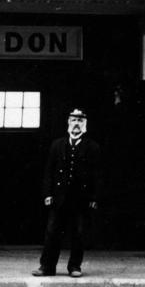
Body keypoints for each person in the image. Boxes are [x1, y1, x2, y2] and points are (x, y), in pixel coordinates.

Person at [33, 107, 102, 278]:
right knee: (52, 232)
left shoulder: (93, 147)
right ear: (68, 124)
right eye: (73, 121)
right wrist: (47, 194)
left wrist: (94, 197)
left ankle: (74, 267)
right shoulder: (57, 145)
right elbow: (49, 171)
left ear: (84, 125)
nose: (76, 124)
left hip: (81, 198)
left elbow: (97, 174)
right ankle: (47, 267)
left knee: (78, 233)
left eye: (79, 121)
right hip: (59, 197)